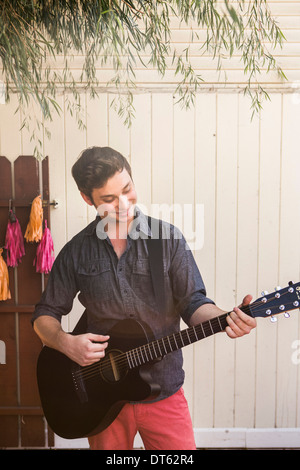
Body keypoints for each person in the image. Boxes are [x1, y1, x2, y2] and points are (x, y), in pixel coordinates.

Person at [32, 146, 256, 450]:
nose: (124, 204)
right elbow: (44, 315)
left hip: (163, 389)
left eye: (127, 189)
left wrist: (225, 319)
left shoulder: (168, 240)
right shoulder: (76, 252)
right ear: (88, 199)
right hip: (100, 396)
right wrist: (65, 343)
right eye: (109, 199)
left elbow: (194, 304)